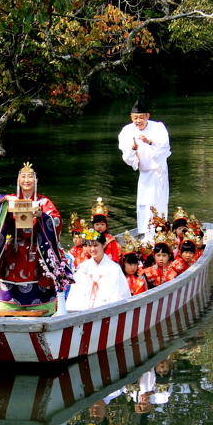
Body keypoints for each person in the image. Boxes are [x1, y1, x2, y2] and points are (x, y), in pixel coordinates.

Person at [0, 162, 68, 316]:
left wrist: (42, 216)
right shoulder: (11, 199)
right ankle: (10, 307)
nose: (26, 180)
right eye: (23, 177)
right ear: (18, 180)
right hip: (14, 249)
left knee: (39, 276)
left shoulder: (44, 202)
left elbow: (56, 220)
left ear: (36, 180)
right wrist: (5, 199)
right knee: (11, 278)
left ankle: (42, 309)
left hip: (36, 249)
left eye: (30, 177)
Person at [118, 98, 170, 238]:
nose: (138, 121)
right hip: (144, 173)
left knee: (158, 204)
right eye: (135, 118)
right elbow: (127, 157)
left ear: (147, 116)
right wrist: (132, 150)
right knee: (144, 205)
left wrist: (149, 141)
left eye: (141, 117)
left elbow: (164, 146)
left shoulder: (158, 127)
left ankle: (159, 233)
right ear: (131, 117)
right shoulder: (127, 131)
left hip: (158, 172)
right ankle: (146, 235)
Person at [65, 231, 131, 311]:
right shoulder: (82, 268)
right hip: (84, 311)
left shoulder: (114, 268)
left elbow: (117, 294)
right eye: (89, 246)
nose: (92, 249)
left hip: (107, 311)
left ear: (103, 245)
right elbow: (76, 293)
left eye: (96, 245)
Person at [89, 197, 120, 263]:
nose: (99, 227)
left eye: (102, 224)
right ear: (93, 225)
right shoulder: (89, 237)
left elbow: (115, 255)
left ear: (106, 225)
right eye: (97, 224)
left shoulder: (111, 240)